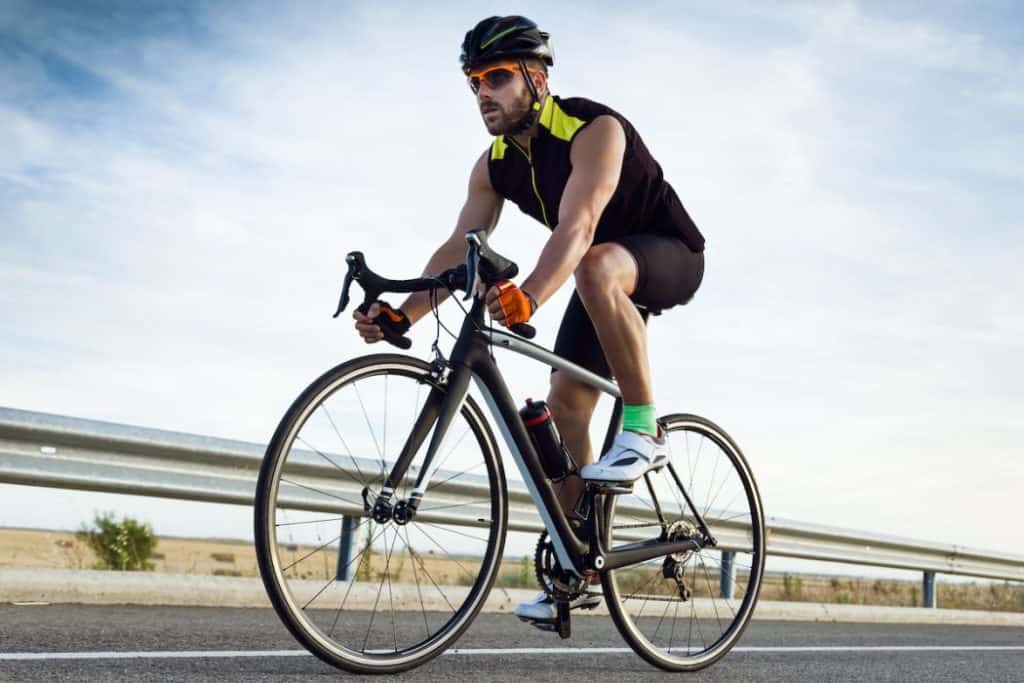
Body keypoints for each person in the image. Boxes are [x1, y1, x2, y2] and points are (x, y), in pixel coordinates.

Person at [353, 15, 705, 628]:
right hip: (598, 273)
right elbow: (459, 249)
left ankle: (645, 428)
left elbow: (580, 226)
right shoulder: (493, 165)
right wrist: (399, 311)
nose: (483, 92)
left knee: (595, 265)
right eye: (473, 82)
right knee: (565, 402)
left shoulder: (595, 129)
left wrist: (532, 297)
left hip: (665, 252)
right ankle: (580, 565)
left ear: (537, 80)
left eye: (496, 77)